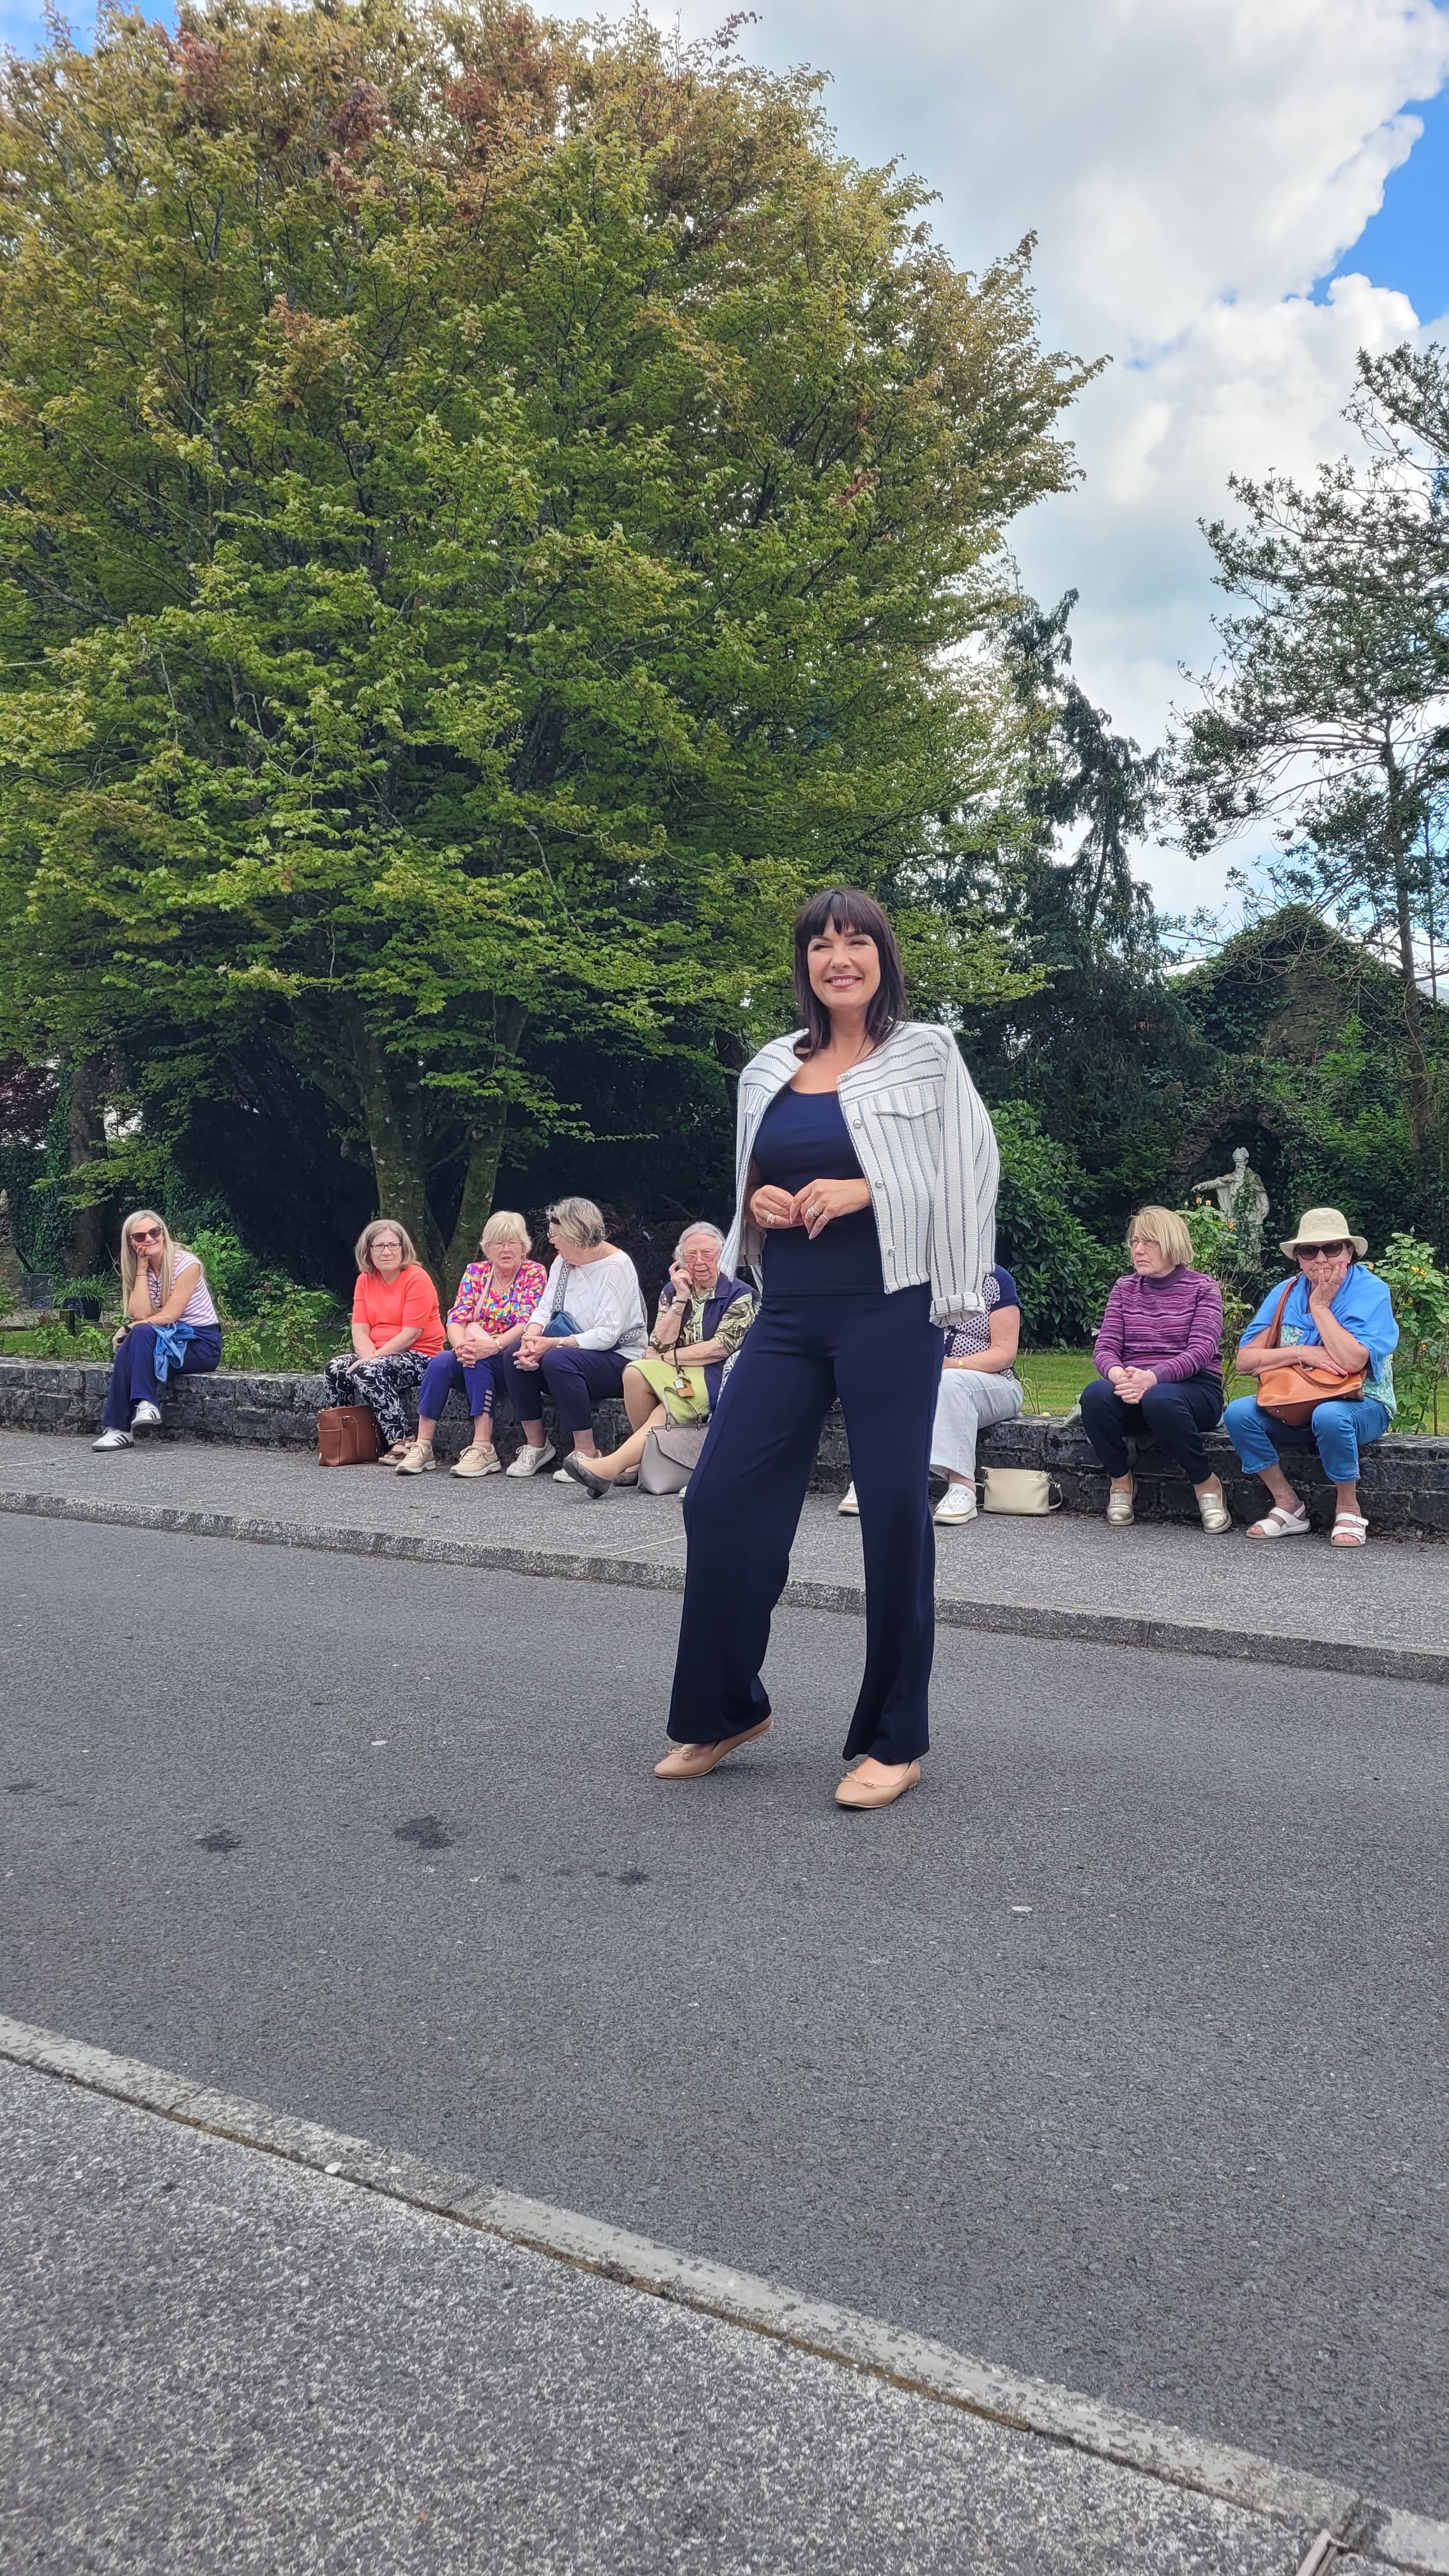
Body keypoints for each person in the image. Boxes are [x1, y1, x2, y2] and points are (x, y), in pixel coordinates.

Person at [657, 886, 999, 1813]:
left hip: (891, 1311)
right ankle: (727, 1707)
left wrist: (865, 1193)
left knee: (893, 1518)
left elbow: (969, 1173)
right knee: (720, 1498)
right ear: (804, 963)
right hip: (789, 1313)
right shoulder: (769, 1066)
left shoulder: (927, 1054)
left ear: (882, 956)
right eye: (820, 945)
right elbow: (753, 1179)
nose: (837, 957)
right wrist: (759, 1204)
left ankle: (897, 1738)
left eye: (855, 942)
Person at [1224, 1208, 1397, 1546]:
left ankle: (1348, 1508)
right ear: (1298, 1258)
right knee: (1238, 1414)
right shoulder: (1286, 1291)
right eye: (1309, 1250)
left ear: (1349, 1252)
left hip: (1363, 1403)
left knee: (1330, 1415)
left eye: (1332, 1248)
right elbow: (1245, 1361)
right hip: (1294, 1403)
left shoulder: (1371, 1291)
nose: (1321, 1258)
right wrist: (1302, 1353)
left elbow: (1352, 1360)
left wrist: (1320, 1307)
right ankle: (1288, 1506)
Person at [562, 1222, 756, 1494]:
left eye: (708, 1254)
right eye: (691, 1255)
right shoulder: (673, 1291)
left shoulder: (741, 1294)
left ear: (722, 1257)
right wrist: (680, 1299)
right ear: (680, 1260)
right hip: (680, 1373)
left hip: (716, 1375)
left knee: (666, 1407)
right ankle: (640, 1458)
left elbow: (719, 1348)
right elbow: (658, 1342)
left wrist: (668, 1357)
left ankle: (611, 1466)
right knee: (634, 1372)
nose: (699, 1262)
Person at [838, 1262, 1023, 1526]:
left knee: (950, 1381)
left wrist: (952, 1364)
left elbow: (1005, 1353)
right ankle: (874, 1481)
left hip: (995, 1383)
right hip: (931, 1378)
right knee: (890, 1381)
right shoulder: (923, 1279)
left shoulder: (996, 1280)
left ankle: (963, 1487)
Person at [1079, 1209, 1229, 1532]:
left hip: (1194, 1390)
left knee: (1160, 1400)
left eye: (1149, 1242)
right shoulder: (1124, 1289)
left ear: (1172, 1245)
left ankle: (1206, 1483)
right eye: (1134, 1243)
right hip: (1136, 1386)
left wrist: (1153, 1377)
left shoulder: (1203, 1288)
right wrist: (1119, 1376)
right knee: (1094, 1396)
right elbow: (1105, 1348)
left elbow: (1201, 1351)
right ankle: (1121, 1482)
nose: (1138, 1250)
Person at [498, 1197, 648, 1478]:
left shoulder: (617, 1266)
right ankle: (537, 1445)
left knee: (558, 1359)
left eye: (556, 1235)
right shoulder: (562, 1262)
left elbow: (608, 1335)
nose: (552, 1241)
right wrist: (532, 1339)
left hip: (619, 1360)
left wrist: (551, 1344)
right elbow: (544, 1309)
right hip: (571, 1352)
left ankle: (587, 1452)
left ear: (576, 1235)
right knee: (514, 1354)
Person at [393, 1213, 548, 1477]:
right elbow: (456, 1318)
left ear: (524, 1246)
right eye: (498, 1243)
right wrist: (460, 1347)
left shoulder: (533, 1273)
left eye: (512, 1242)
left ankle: (483, 1446)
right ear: (487, 1248)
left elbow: (528, 1321)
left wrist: (494, 1345)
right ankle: (423, 1444)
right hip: (473, 1347)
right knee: (441, 1362)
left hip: (509, 1354)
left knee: (479, 1361)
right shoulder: (476, 1272)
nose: (506, 1249)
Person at [92, 1211, 223, 1450]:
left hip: (199, 1343)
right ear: (131, 1242)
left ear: (163, 1234)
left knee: (135, 1337)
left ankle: (121, 1427)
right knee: (136, 1339)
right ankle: (142, 1408)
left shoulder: (187, 1265)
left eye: (154, 1232)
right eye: (140, 1236)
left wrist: (127, 1328)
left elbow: (169, 1316)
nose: (148, 1239)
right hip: (163, 1339)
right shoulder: (140, 1270)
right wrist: (142, 1268)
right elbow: (142, 1315)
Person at [322, 1219, 445, 1463]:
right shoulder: (365, 1281)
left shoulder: (416, 1278)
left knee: (368, 1371)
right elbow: (359, 1329)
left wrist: (372, 1360)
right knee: (336, 1369)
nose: (386, 1252)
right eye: (378, 1246)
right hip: (378, 1353)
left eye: (392, 1245)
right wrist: (369, 1356)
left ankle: (405, 1441)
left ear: (403, 1248)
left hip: (420, 1355)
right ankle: (345, 1439)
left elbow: (411, 1334)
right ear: (368, 1251)